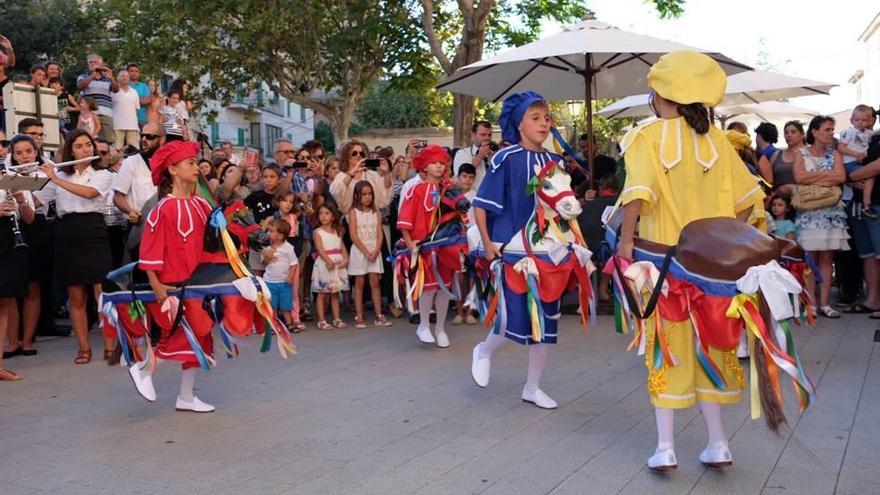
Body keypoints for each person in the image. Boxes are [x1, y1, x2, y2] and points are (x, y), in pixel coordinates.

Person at [614, 51, 765, 471]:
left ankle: (665, 448)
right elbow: (749, 202)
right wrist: (723, 240)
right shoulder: (719, 140)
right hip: (715, 271)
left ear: (659, 93)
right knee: (712, 347)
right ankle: (718, 444)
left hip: (666, 267)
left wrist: (626, 244)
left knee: (668, 351)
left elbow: (636, 194)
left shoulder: (645, 137)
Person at [469, 91, 565, 409]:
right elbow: (481, 207)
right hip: (511, 251)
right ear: (519, 124)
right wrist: (486, 244)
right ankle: (484, 350)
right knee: (511, 318)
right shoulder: (504, 159)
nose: (543, 123)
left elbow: (561, 209)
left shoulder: (556, 161)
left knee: (547, 320)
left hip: (548, 253)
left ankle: (532, 387)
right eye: (535, 117)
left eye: (547, 117)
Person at [128, 140, 218, 412]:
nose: (196, 167)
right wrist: (156, 285)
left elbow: (213, 242)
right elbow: (150, 249)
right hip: (171, 287)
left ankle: (186, 396)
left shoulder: (202, 205)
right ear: (173, 169)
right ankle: (143, 369)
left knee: (201, 337)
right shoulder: (162, 209)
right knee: (173, 336)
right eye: (190, 163)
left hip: (197, 286)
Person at [33, 129, 114, 364]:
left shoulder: (103, 173)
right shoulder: (58, 173)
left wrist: (55, 178)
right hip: (67, 232)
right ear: (70, 150)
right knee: (76, 296)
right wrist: (17, 189)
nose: (85, 150)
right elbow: (37, 201)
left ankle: (109, 346)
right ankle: (84, 348)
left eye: (87, 145)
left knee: (102, 295)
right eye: (78, 146)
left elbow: (90, 194)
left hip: (93, 230)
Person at [398, 145, 466, 348]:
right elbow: (405, 220)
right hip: (424, 248)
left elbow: (460, 214)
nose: (438, 166)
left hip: (445, 246)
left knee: (444, 289)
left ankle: (440, 328)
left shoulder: (449, 190)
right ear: (424, 167)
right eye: (434, 163)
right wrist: (411, 245)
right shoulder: (416, 190)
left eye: (441, 163)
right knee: (428, 289)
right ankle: (424, 325)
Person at [794, 115, 850, 318]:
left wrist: (814, 179)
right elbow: (799, 177)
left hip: (831, 213)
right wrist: (828, 179)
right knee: (810, 260)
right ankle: (812, 304)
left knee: (827, 260)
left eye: (831, 129)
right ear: (814, 131)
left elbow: (841, 177)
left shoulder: (835, 154)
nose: (831, 133)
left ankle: (825, 303)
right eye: (827, 129)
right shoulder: (801, 153)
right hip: (809, 213)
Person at [1, 135, 37, 369]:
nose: (2, 149)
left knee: (4, 302)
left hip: (7, 241)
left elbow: (30, 218)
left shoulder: (13, 176)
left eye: (4, 144)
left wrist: (21, 198)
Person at [112, 122, 164, 253]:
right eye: (143, 136)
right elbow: (118, 197)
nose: (144, 140)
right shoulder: (131, 162)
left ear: (162, 139)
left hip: (164, 227)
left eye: (150, 136)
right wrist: (130, 211)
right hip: (139, 226)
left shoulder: (170, 163)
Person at [348, 180, 391, 329]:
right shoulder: (354, 212)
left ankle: (379, 315)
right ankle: (359, 315)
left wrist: (377, 249)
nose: (367, 197)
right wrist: (366, 251)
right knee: (359, 283)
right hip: (360, 251)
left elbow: (379, 233)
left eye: (370, 194)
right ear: (357, 196)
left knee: (375, 282)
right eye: (364, 194)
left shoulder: (375, 212)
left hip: (374, 250)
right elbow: (353, 234)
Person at [311, 203, 349, 330]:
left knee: (335, 293)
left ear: (333, 216)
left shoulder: (337, 231)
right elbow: (320, 249)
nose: (323, 216)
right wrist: (328, 260)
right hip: (325, 263)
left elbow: (342, 247)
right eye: (321, 213)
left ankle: (337, 318)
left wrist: (345, 258)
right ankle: (321, 320)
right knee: (322, 293)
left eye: (327, 213)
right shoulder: (318, 232)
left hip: (337, 263)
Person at [330, 140, 393, 213]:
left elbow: (385, 191)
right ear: (346, 157)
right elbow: (336, 192)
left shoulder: (372, 175)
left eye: (361, 153)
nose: (358, 155)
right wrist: (352, 173)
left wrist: (386, 173)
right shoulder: (341, 176)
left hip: (372, 218)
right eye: (354, 153)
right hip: (351, 219)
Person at [274, 191, 306, 332]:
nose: (288, 204)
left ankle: (295, 317)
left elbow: (307, 210)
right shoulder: (273, 219)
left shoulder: (294, 217)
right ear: (278, 202)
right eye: (285, 200)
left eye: (291, 201)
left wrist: (303, 201)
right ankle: (277, 319)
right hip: (278, 260)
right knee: (277, 290)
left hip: (292, 257)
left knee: (293, 289)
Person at [261, 218, 299, 332]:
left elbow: (294, 263)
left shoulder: (288, 248)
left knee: (286, 304)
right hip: (270, 281)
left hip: (284, 282)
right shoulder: (266, 248)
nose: (268, 233)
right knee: (272, 305)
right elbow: (263, 263)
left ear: (280, 236)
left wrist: (290, 276)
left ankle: (289, 323)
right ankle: (273, 325)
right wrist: (268, 258)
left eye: (271, 231)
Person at [244, 163, 283, 274]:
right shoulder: (255, 196)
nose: (268, 180)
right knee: (257, 274)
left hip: (278, 241)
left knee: (276, 274)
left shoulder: (283, 197)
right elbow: (242, 211)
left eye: (272, 177)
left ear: (279, 179)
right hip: (258, 240)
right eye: (265, 177)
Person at [838, 105, 876, 217]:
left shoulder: (870, 134)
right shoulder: (848, 132)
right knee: (870, 174)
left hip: (859, 163)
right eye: (857, 120)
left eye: (864, 120)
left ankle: (862, 202)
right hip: (850, 163)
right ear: (851, 120)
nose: (860, 122)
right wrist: (856, 154)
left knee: (867, 177)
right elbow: (841, 148)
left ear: (870, 121)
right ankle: (866, 204)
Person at [452, 163, 478, 326]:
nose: (467, 180)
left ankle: (470, 311)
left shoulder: (477, 197)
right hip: (456, 240)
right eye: (464, 176)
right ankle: (459, 311)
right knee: (458, 276)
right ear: (458, 177)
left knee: (472, 276)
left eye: (470, 177)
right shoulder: (452, 195)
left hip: (473, 240)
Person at [76, 54, 118, 144]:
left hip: (105, 113)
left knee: (108, 140)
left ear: (101, 64)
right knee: (88, 139)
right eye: (90, 62)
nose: (93, 64)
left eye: (95, 62)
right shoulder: (83, 76)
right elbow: (80, 86)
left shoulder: (106, 78)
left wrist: (111, 78)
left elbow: (116, 89)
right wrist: (92, 75)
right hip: (89, 114)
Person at [453, 120, 494, 190]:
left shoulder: (495, 155)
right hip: (470, 198)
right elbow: (460, 177)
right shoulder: (462, 154)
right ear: (473, 135)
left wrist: (493, 159)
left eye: (489, 135)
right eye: (483, 135)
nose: (487, 138)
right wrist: (480, 156)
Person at [768, 121, 806, 193]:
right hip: (780, 201)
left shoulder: (810, 154)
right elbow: (769, 180)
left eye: (793, 132)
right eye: (786, 133)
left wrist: (790, 188)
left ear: (802, 135)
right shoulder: (776, 155)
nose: (789, 135)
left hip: (803, 199)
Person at [111, 70, 141, 150]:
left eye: (127, 76)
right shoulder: (113, 91)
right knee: (116, 150)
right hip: (117, 126)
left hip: (133, 126)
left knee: (134, 151)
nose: (125, 78)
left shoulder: (134, 92)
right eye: (122, 76)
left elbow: (137, 109)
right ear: (118, 78)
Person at [125, 63, 151, 128]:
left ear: (139, 73)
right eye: (132, 71)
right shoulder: (123, 85)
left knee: (144, 138)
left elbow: (147, 101)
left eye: (136, 71)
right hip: (126, 119)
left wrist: (131, 100)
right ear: (127, 72)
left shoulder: (144, 86)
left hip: (142, 119)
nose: (134, 73)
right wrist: (140, 100)